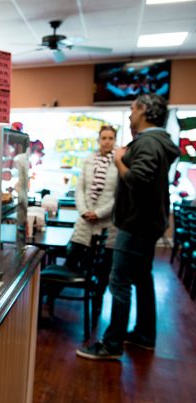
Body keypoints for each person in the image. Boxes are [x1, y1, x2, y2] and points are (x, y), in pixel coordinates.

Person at [76, 94, 180, 360]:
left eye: (133, 108)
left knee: (119, 281)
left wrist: (120, 160)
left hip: (136, 224)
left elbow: (139, 180)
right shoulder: (160, 141)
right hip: (148, 223)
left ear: (144, 110)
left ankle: (111, 345)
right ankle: (144, 335)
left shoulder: (147, 143)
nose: (131, 113)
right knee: (142, 279)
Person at [67, 126, 119, 315]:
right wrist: (84, 210)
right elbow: (80, 188)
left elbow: (118, 195)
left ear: (115, 140)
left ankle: (97, 302)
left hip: (106, 222)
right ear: (98, 140)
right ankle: (56, 296)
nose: (107, 141)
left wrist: (98, 213)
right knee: (73, 258)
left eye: (111, 138)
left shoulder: (119, 161)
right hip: (84, 221)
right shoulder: (88, 160)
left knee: (103, 268)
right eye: (104, 137)